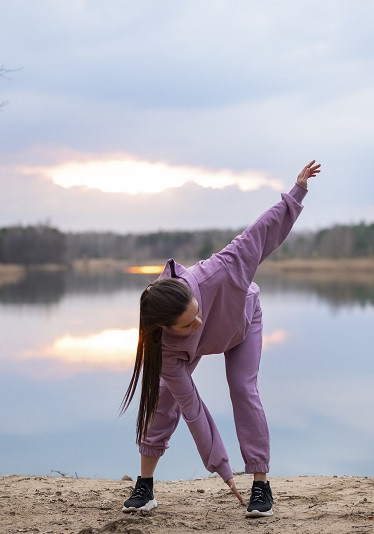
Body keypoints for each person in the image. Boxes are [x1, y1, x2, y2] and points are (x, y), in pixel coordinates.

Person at [119, 160, 321, 518]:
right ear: (166, 328)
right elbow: (193, 409)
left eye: (196, 311)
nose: (197, 320)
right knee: (166, 398)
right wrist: (221, 468)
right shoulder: (164, 348)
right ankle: (145, 486)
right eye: (186, 324)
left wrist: (297, 190)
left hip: (242, 324)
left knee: (243, 388)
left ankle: (261, 484)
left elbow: (262, 231)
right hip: (194, 348)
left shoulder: (222, 270)